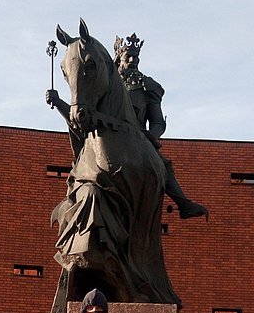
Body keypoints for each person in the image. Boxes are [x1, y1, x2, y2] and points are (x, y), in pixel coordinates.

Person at [45, 32, 207, 220]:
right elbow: (82, 119)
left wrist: (150, 136)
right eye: (127, 56)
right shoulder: (104, 82)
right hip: (103, 135)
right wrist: (58, 103)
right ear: (118, 58)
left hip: (137, 137)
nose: (132, 60)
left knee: (162, 164)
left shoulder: (148, 86)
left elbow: (158, 122)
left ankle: (183, 203)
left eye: (135, 56)